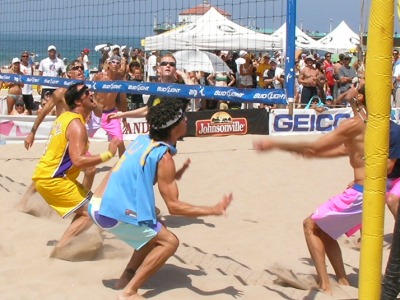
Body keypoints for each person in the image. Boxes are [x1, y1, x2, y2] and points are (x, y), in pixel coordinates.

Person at [88, 98, 232, 299]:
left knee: (154, 226)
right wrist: (213, 210)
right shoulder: (163, 157)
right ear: (173, 127)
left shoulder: (142, 140)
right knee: (169, 242)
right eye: (183, 118)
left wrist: (175, 174)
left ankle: (124, 279)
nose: (187, 120)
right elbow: (175, 207)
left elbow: (142, 174)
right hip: (109, 211)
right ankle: (129, 292)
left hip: (97, 203)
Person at [253, 86, 366, 294]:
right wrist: (312, 154)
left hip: (361, 193)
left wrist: (277, 145)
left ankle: (325, 285)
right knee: (327, 230)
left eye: (355, 87)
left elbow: (316, 146)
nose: (350, 87)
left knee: (310, 225)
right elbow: (343, 150)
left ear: (359, 97)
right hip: (372, 191)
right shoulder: (376, 121)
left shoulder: (355, 124)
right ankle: (342, 281)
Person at [31, 82, 120, 260]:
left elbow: (81, 163)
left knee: (90, 208)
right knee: (92, 212)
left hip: (51, 177)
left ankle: (68, 242)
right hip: (54, 179)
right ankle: (62, 249)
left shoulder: (67, 117)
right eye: (86, 92)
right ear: (78, 102)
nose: (90, 93)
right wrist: (108, 154)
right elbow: (78, 160)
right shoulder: (76, 125)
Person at [106, 53, 193, 121]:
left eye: (171, 64)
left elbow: (195, 91)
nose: (168, 65)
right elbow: (147, 110)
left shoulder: (179, 88)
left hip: (169, 137)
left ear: (175, 68)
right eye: (164, 63)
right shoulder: (156, 89)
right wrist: (122, 114)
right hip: (155, 134)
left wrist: (183, 74)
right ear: (159, 69)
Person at [92, 55, 128, 157]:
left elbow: (123, 101)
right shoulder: (99, 77)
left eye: (118, 63)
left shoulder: (120, 80)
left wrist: (124, 118)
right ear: (108, 64)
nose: (115, 64)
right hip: (95, 113)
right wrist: (87, 111)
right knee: (79, 137)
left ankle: (123, 167)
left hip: (110, 114)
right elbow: (89, 93)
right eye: (113, 62)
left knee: (120, 142)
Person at [20, 51, 36, 115]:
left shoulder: (31, 67)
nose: (25, 57)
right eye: (24, 56)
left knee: (29, 110)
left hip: (28, 92)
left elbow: (32, 78)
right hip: (21, 91)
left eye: (26, 56)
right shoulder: (19, 66)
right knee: (20, 108)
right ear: (21, 57)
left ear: (28, 57)